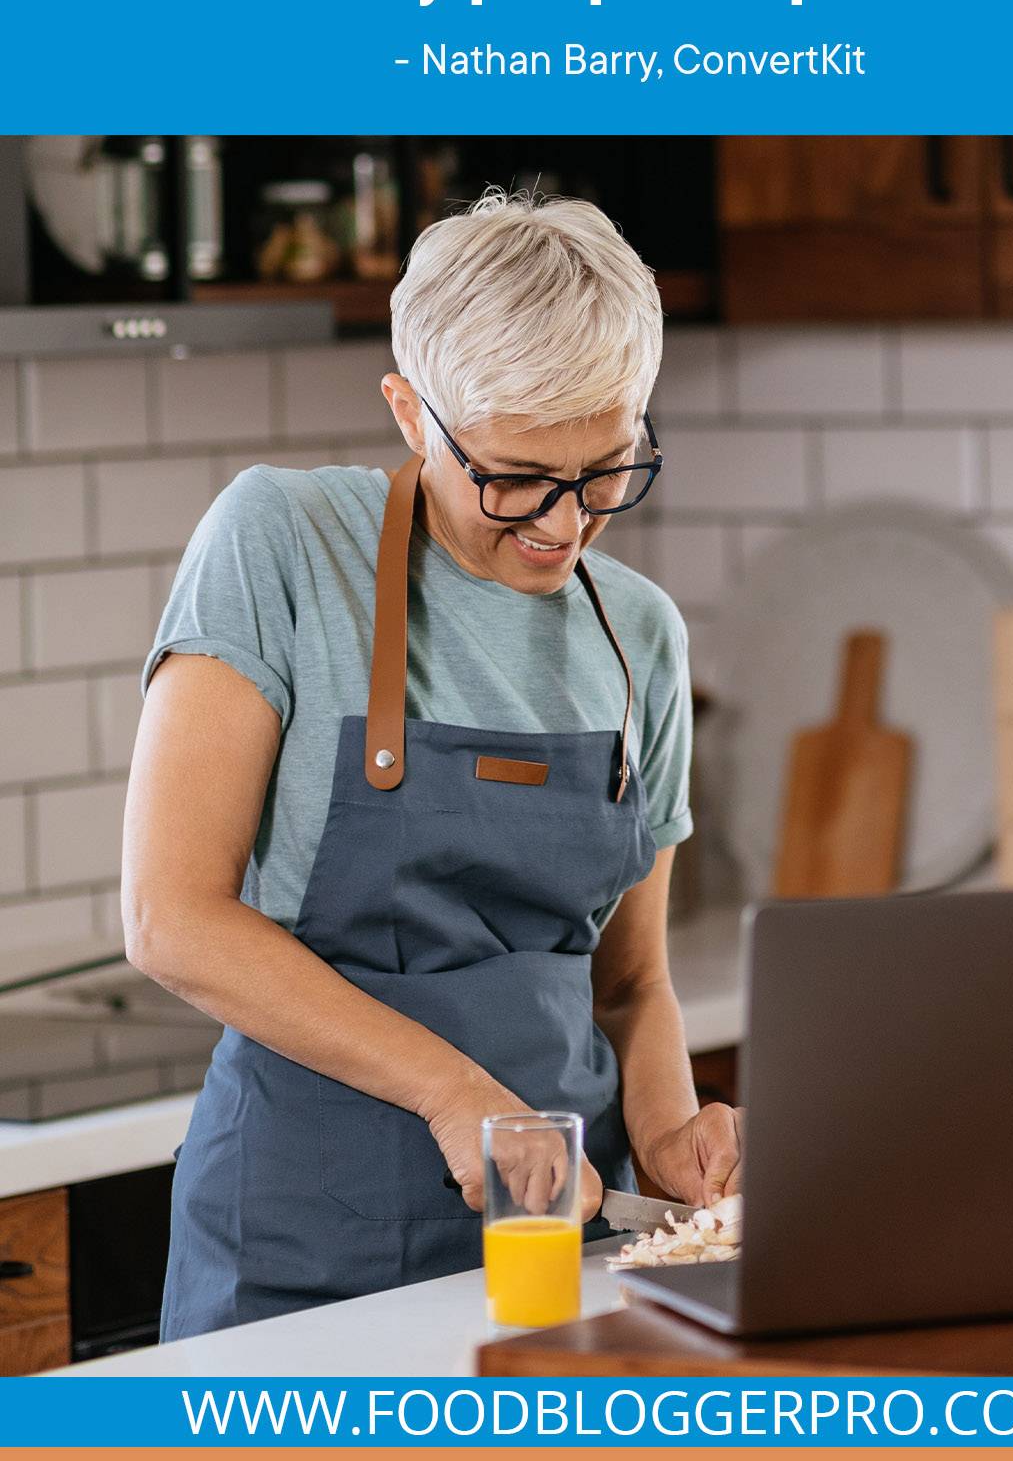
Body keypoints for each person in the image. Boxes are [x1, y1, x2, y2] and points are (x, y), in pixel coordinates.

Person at [123, 188, 742, 1338]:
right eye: (513, 478)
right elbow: (172, 919)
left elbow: (631, 984)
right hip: (302, 1249)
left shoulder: (638, 633)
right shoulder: (283, 543)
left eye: (604, 472)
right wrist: (454, 1094)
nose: (563, 527)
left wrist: (671, 1132)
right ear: (412, 414)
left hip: (560, 1251)